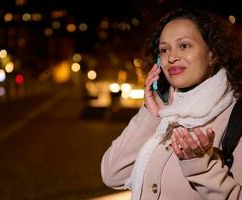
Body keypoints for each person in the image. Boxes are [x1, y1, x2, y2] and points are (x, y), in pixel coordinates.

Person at [101, 8, 242, 200]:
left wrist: (201, 166)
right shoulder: (165, 114)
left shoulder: (235, 119)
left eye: (184, 45)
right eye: (164, 50)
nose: (171, 57)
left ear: (213, 54)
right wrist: (151, 113)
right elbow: (112, 175)